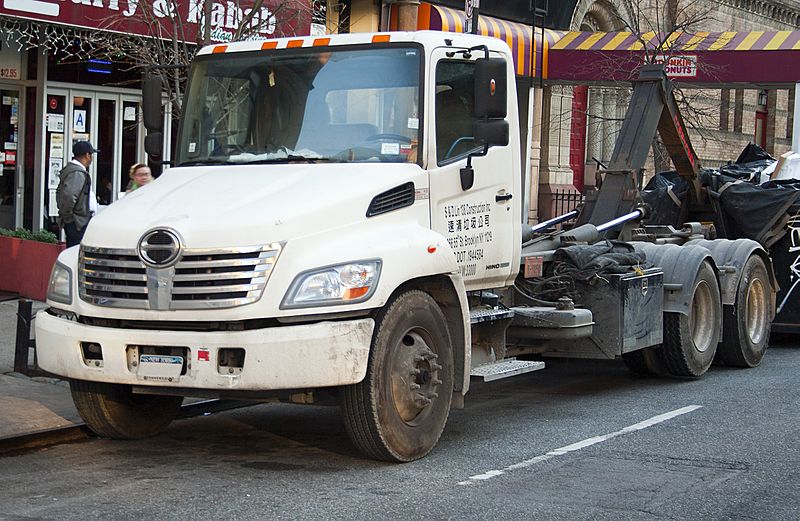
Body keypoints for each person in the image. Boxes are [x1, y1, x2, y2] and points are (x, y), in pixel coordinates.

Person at [56, 141, 98, 247]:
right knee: (76, 252)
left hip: (78, 221)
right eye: (91, 154)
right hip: (78, 223)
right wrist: (70, 219)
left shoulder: (74, 170)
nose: (92, 157)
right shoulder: (77, 173)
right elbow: (69, 196)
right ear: (87, 155)